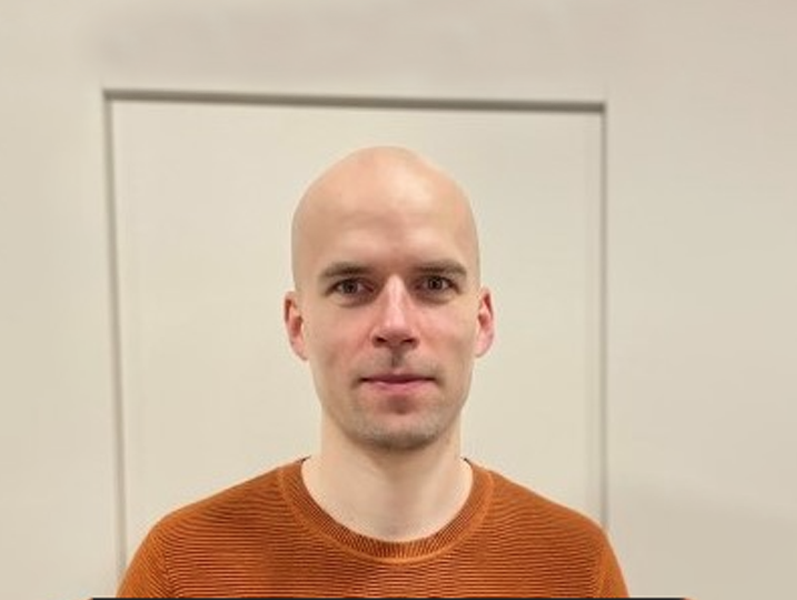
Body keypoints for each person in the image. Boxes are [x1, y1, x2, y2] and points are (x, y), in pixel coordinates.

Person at [116, 145, 629, 597]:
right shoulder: (181, 570)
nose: (396, 325)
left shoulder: (576, 569)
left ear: (483, 319)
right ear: (298, 326)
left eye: (433, 283)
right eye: (352, 286)